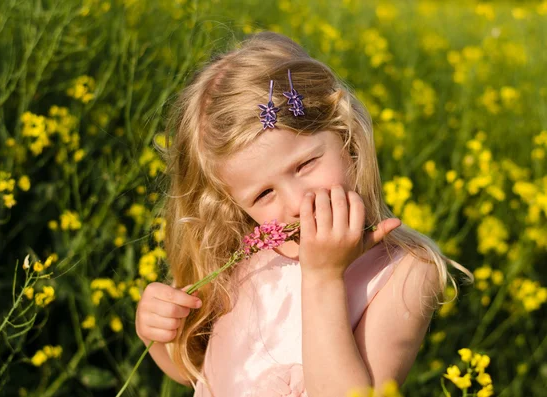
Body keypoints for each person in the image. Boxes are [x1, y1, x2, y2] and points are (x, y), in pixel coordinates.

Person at [135, 31, 472, 397]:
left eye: (305, 164)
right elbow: (201, 378)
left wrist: (324, 277)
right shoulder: (244, 254)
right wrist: (156, 336)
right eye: (264, 194)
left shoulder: (405, 271)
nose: (296, 202)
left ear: (345, 135)